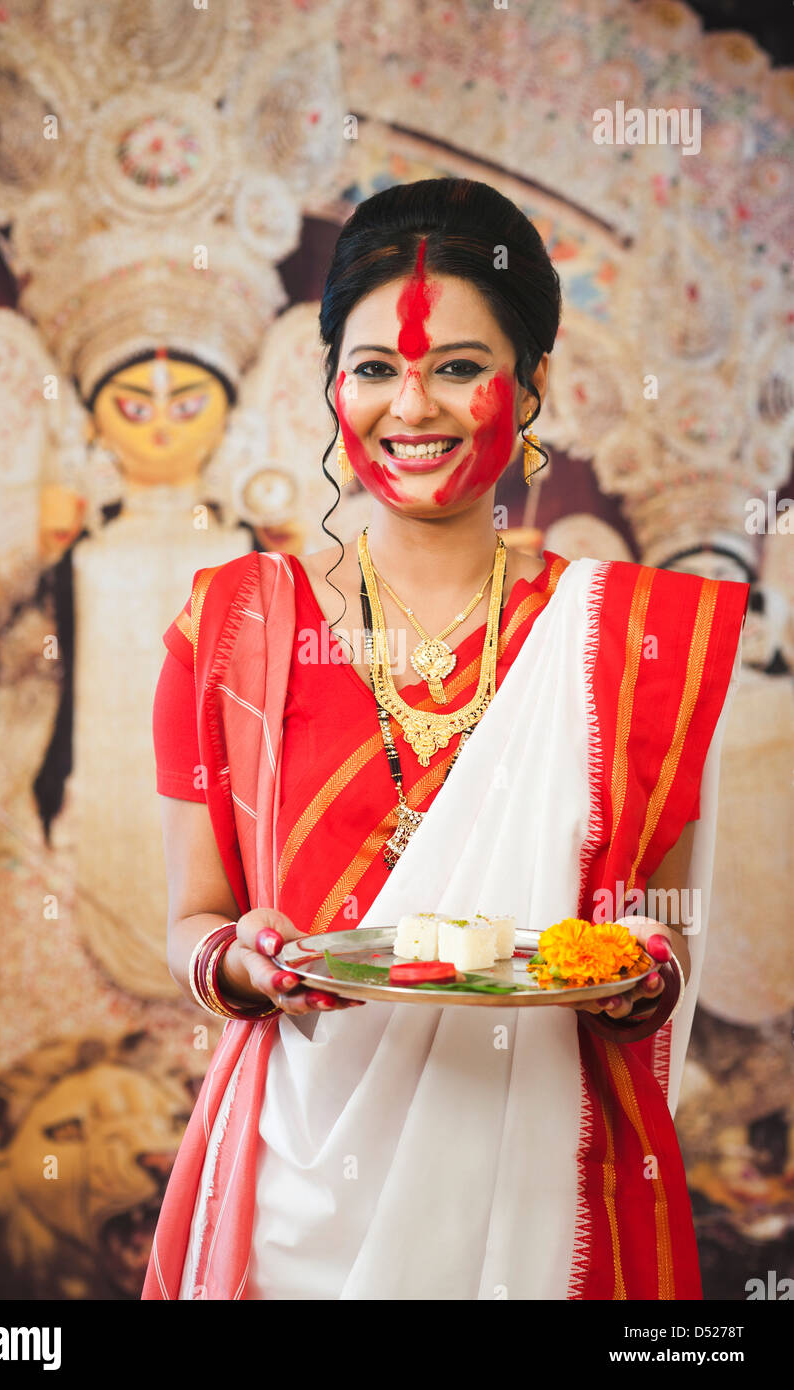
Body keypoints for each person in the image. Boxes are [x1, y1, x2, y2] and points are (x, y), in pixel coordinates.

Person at [142, 178, 748, 1301]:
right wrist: (236, 957)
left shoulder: (633, 639)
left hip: (537, 1184)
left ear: (531, 388)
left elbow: (662, 924)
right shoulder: (229, 626)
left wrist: (640, 974)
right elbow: (195, 914)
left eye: (458, 366)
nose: (408, 405)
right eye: (373, 367)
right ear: (332, 385)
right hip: (293, 1181)